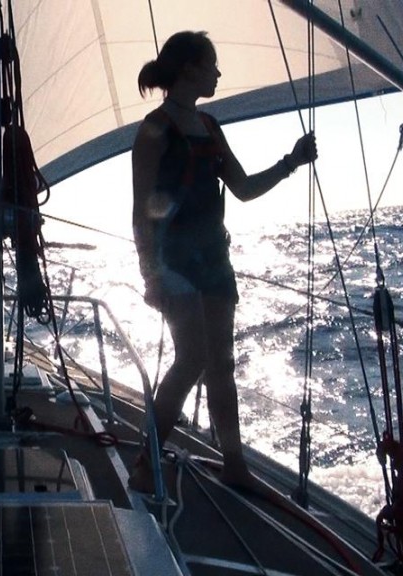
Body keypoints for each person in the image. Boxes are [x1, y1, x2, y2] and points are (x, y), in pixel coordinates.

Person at [129, 31, 316, 492]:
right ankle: (144, 461)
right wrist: (148, 271)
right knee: (191, 358)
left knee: (221, 365)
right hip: (174, 262)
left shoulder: (210, 127)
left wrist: (290, 162)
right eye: (212, 64)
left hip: (213, 258)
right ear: (190, 68)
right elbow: (140, 210)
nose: (217, 73)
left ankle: (235, 466)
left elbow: (244, 188)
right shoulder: (154, 130)